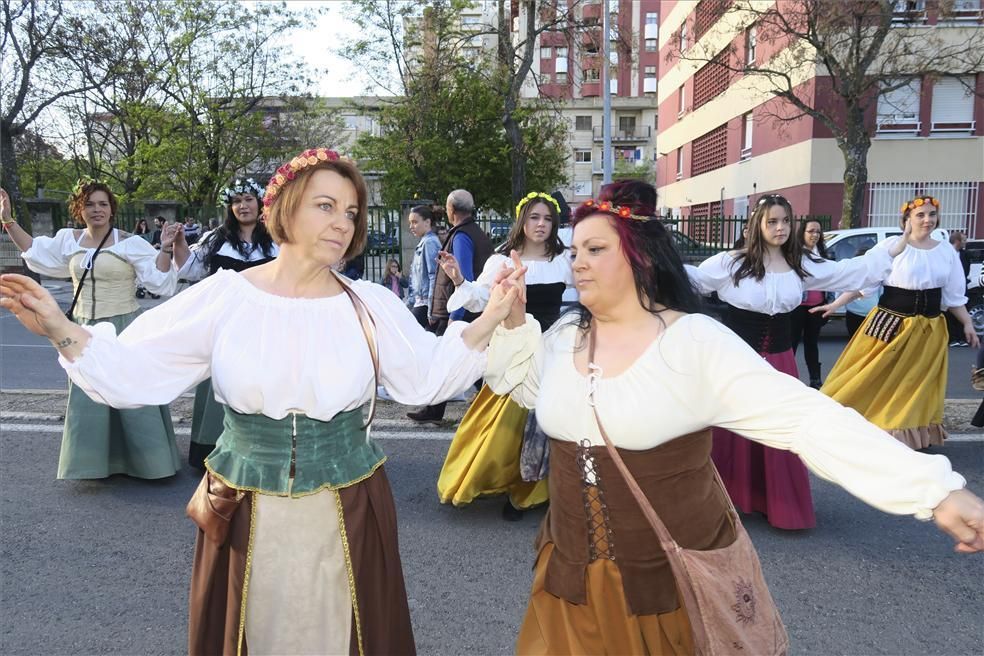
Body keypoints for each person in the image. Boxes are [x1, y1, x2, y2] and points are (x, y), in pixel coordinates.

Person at [0, 148, 532, 655]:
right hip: (245, 508)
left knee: (343, 632)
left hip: (348, 507)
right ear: (284, 208)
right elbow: (135, 370)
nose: (343, 222)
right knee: (252, 631)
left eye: (350, 211)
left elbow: (427, 379)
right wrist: (61, 329)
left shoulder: (370, 304)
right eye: (325, 206)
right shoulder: (227, 296)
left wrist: (495, 314)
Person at [477, 182, 984, 655]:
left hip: (669, 587)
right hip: (567, 581)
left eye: (595, 250)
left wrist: (932, 490)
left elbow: (806, 419)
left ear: (640, 256)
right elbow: (530, 390)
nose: (578, 264)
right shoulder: (564, 335)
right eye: (574, 253)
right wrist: (512, 323)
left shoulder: (692, 341)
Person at [687, 194, 908, 530]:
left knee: (779, 429)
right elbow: (691, 281)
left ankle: (776, 503)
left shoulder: (800, 264)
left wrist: (892, 246)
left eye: (786, 221)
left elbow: (847, 272)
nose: (780, 228)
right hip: (736, 361)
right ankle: (725, 501)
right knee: (732, 430)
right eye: (772, 221)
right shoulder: (732, 263)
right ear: (757, 225)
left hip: (779, 359)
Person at [0, 182, 181, 480]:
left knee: (131, 391)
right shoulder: (68, 241)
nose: (97, 210)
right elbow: (33, 249)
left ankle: (149, 462)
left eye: (103, 204)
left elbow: (159, 280)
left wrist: (163, 247)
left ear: (111, 209)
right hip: (82, 328)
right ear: (79, 209)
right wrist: (7, 218)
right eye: (90, 204)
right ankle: (94, 462)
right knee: (90, 391)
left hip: (124, 326)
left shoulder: (128, 242)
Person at [436, 191, 573, 520]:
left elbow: (580, 301)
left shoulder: (564, 259)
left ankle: (535, 492)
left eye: (547, 219)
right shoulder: (501, 261)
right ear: (522, 220)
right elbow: (483, 300)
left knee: (551, 424)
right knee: (507, 428)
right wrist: (458, 280)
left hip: (554, 350)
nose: (540, 225)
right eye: (534, 217)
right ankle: (510, 486)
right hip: (516, 351)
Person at [814, 196, 979, 450]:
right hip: (891, 325)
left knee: (917, 386)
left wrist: (967, 324)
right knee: (871, 377)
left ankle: (909, 436)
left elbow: (954, 296)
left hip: (929, 330)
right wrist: (836, 304)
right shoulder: (891, 247)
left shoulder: (946, 250)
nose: (927, 220)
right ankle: (848, 425)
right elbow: (864, 281)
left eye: (932, 214)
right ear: (906, 220)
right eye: (920, 215)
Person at [173, 177, 279, 469]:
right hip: (226, 325)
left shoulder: (277, 240)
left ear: (259, 203)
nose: (242, 206)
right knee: (222, 382)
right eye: (236, 201)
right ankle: (213, 447)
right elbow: (190, 270)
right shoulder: (216, 239)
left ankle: (262, 448)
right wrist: (180, 244)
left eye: (247, 199)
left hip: (263, 326)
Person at [407, 189, 494, 423]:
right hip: (478, 308)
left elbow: (462, 275)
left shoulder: (462, 236)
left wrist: (455, 315)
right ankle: (438, 410)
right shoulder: (477, 233)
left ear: (451, 210)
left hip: (463, 310)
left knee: (444, 360)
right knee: (471, 358)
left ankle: (435, 411)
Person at [789, 219, 830, 388]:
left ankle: (815, 379)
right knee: (791, 342)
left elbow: (830, 278)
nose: (815, 235)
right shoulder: (794, 254)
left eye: (818, 232)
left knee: (811, 342)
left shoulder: (822, 253)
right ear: (803, 233)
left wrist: (828, 302)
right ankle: (788, 378)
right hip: (797, 306)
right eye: (811, 231)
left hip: (817, 305)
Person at [406, 205, 441, 328]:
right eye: (410, 223)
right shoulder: (424, 242)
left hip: (425, 303)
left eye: (415, 222)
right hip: (420, 302)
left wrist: (431, 309)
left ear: (427, 222)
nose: (411, 226)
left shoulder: (429, 242)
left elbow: (434, 276)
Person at [946, 231, 971, 346]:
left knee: (962, 312)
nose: (966, 242)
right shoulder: (945, 253)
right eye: (964, 240)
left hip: (962, 289)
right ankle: (952, 339)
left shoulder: (965, 254)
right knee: (949, 315)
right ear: (957, 241)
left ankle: (962, 338)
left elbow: (966, 271)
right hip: (947, 290)